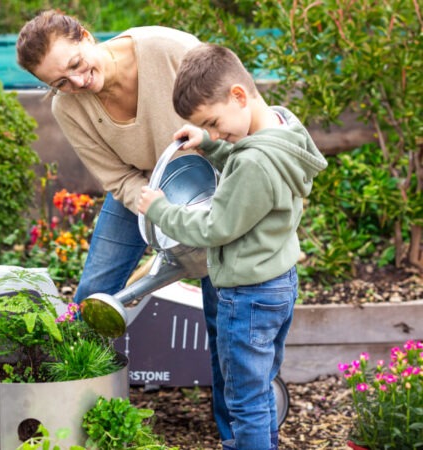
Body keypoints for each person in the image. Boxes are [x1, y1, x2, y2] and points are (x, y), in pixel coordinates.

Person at [16, 10, 235, 442]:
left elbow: (232, 115)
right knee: (91, 298)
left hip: (212, 187)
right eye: (59, 82)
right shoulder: (69, 107)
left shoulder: (167, 48)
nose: (76, 83)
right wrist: (159, 212)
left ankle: (235, 431)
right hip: (139, 191)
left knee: (223, 312)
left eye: (76, 65)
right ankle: (69, 418)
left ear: (87, 36)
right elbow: (117, 179)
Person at [138, 44, 328, 450]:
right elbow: (249, 163)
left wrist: (160, 210)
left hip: (248, 295)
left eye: (215, 121)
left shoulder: (253, 163)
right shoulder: (280, 128)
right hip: (278, 284)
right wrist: (210, 142)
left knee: (243, 398)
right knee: (258, 387)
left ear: (238, 96)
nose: (220, 131)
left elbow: (215, 226)